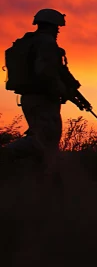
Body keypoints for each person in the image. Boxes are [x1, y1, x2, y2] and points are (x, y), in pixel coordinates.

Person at [2, 9, 70, 165]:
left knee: (45, 141)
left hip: (32, 97)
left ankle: (37, 177)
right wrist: (61, 89)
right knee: (45, 139)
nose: (58, 31)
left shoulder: (31, 41)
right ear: (52, 25)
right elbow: (46, 72)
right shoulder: (46, 43)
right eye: (57, 27)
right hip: (42, 98)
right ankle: (6, 154)